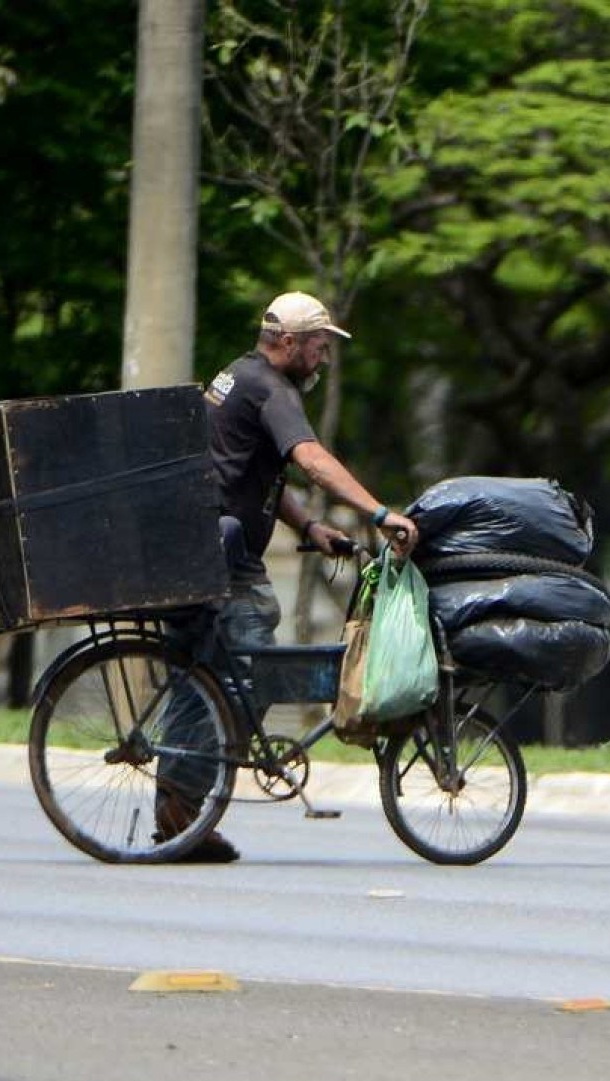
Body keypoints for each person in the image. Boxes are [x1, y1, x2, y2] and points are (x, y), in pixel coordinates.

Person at [156, 291, 421, 862]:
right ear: (289, 343)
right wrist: (379, 513)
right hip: (213, 554)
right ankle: (178, 815)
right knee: (234, 673)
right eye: (319, 345)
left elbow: (248, 470)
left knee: (225, 666)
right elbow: (309, 458)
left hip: (219, 549)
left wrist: (311, 524)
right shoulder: (270, 389)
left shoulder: (241, 377)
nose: (324, 357)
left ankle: (183, 810)